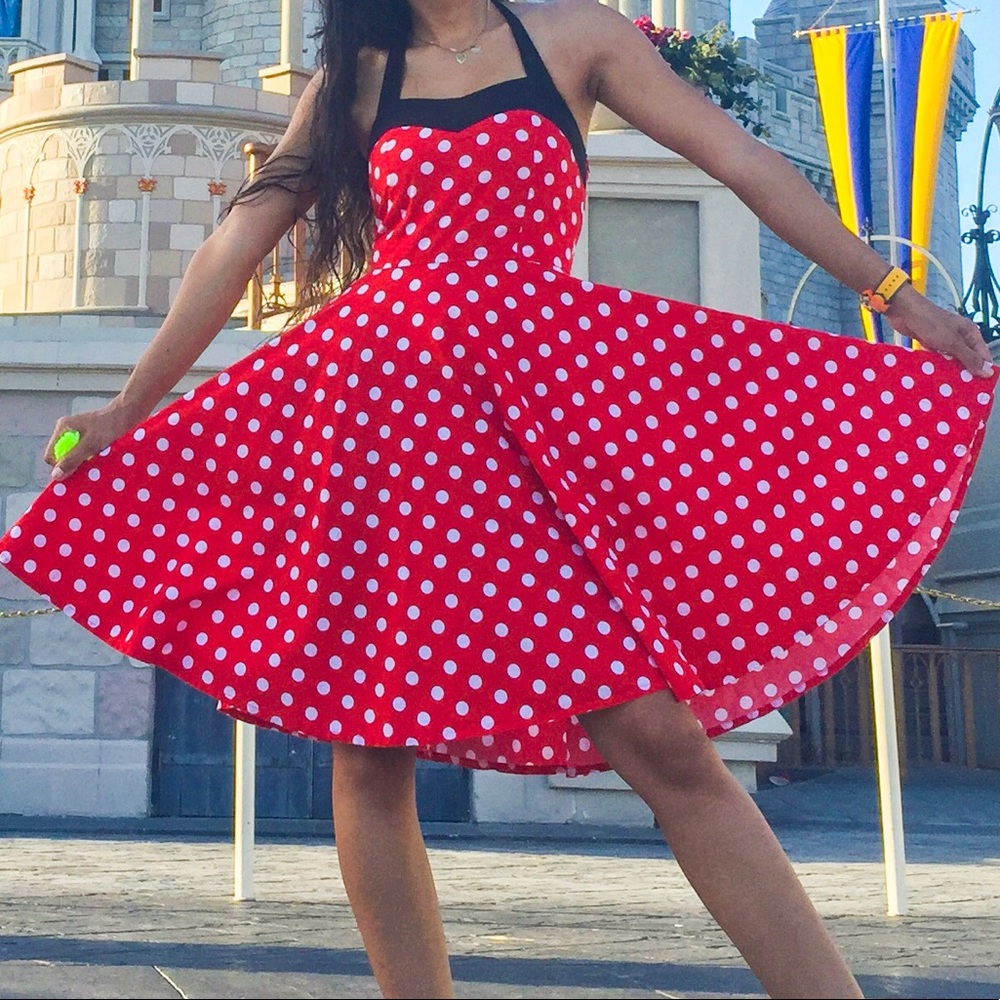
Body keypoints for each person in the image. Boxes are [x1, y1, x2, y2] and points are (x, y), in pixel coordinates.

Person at [0, 2, 994, 997]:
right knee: (368, 754)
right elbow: (241, 237)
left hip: (534, 425)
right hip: (380, 424)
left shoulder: (578, 39)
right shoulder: (355, 70)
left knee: (660, 741)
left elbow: (742, 162)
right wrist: (133, 401)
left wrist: (893, 294)